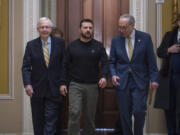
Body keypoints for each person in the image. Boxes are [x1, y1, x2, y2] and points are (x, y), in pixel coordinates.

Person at [109, 14, 159, 135]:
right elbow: (112, 62)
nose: (121, 30)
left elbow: (151, 61)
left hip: (140, 81)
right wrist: (113, 74)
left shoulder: (145, 38)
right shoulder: (116, 40)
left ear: (132, 26)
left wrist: (154, 79)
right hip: (122, 81)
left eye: (124, 27)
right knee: (125, 114)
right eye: (119, 27)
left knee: (139, 111)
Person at [60, 18, 109, 135]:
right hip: (75, 85)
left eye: (90, 28)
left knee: (89, 116)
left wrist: (104, 76)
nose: (88, 30)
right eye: (85, 28)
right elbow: (64, 65)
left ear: (93, 30)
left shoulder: (98, 46)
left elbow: (105, 63)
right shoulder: (72, 46)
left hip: (92, 86)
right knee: (74, 112)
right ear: (80, 29)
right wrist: (62, 83)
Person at [22, 17, 65, 135]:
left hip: (54, 88)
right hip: (36, 89)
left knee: (51, 120)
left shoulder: (60, 43)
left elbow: (63, 65)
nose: (45, 29)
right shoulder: (30, 45)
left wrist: (62, 83)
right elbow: (26, 67)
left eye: (47, 27)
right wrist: (27, 84)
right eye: (42, 27)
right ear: (38, 29)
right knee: (38, 121)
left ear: (51, 29)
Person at [154, 14, 180, 135]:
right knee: (169, 108)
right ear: (178, 22)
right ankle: (171, 132)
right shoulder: (169, 35)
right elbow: (159, 52)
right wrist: (169, 50)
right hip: (168, 78)